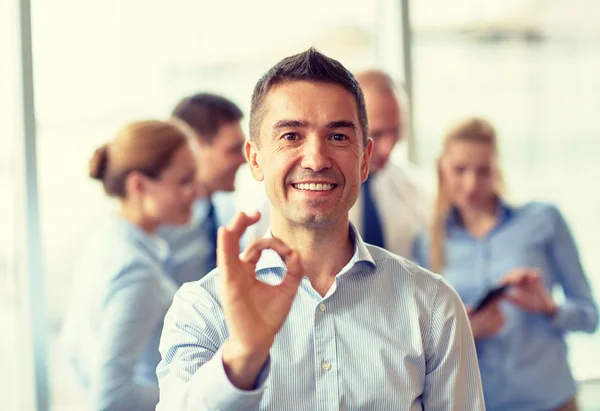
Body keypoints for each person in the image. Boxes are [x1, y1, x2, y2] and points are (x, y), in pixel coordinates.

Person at [156, 48, 484, 410]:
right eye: (291, 136)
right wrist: (242, 356)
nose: (315, 159)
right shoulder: (201, 309)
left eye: (338, 137)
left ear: (364, 160)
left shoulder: (434, 306)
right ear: (254, 159)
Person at [412, 117, 598, 411]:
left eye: (483, 170)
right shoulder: (426, 244)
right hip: (478, 403)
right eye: (460, 170)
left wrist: (549, 308)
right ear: (442, 169)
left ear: (497, 169)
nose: (471, 183)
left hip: (551, 401)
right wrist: (468, 330)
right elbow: (420, 345)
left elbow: (590, 316)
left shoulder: (544, 220)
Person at [60, 119, 198, 411]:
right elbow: (111, 398)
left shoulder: (106, 239)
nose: (195, 192)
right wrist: (191, 395)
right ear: (138, 185)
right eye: (184, 181)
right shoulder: (137, 271)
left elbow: (74, 347)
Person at [241, 69, 428, 257]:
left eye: (395, 132)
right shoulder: (277, 202)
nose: (388, 148)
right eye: (377, 133)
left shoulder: (415, 192)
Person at [159, 93, 247, 285]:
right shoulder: (161, 224)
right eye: (233, 150)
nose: (245, 160)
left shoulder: (226, 210)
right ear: (195, 146)